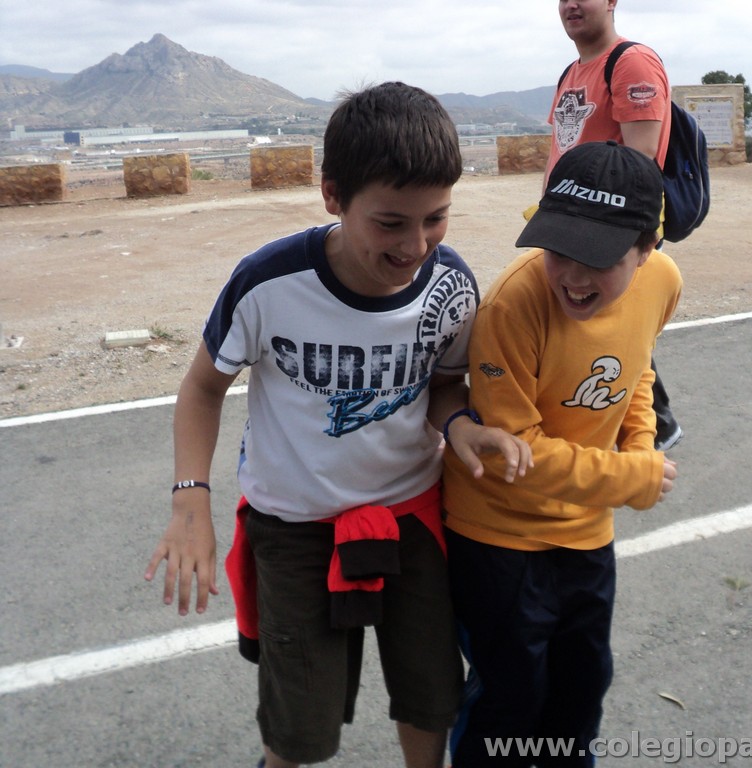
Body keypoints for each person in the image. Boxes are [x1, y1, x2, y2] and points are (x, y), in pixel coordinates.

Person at [144, 81, 532, 768]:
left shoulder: (451, 287)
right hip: (294, 528)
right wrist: (190, 500)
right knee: (300, 727)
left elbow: (443, 383)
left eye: (436, 219)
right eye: (390, 223)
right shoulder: (267, 284)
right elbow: (203, 387)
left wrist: (462, 425)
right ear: (332, 197)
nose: (416, 245)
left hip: (412, 518)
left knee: (432, 694)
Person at [443, 140, 682, 766]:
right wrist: (632, 479)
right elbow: (515, 455)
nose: (572, 276)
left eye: (596, 258)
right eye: (557, 251)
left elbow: (635, 374)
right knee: (510, 702)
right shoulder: (511, 306)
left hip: (584, 535)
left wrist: (639, 444)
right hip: (497, 536)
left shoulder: (663, 283)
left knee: (581, 690)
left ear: (646, 249)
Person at [546, 0, 683, 452]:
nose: (569, 5)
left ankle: (653, 429)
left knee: (613, 327)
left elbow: (639, 160)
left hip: (609, 227)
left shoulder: (632, 63)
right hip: (571, 222)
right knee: (596, 326)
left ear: (610, 2)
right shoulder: (573, 71)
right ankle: (637, 427)